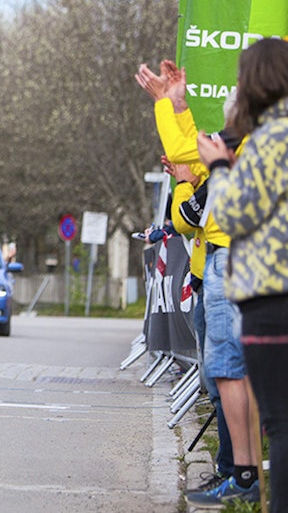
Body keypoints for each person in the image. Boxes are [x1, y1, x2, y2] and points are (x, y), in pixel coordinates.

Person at [137, 60, 258, 507]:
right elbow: (191, 157)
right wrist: (178, 104)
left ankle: (242, 473)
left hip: (231, 259)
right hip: (213, 266)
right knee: (219, 373)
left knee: (227, 370)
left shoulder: (255, 134)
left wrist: (169, 106)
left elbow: (186, 153)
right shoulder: (245, 136)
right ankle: (234, 470)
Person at [200, 37, 288, 512]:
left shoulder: (273, 137)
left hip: (272, 295)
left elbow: (233, 213)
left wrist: (218, 167)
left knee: (279, 423)